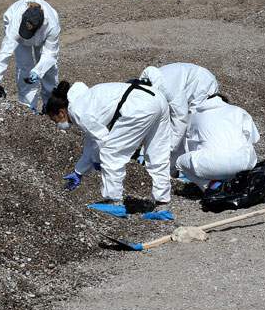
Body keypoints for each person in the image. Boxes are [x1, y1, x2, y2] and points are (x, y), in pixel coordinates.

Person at [46, 80, 172, 218]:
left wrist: (99, 160)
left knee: (111, 153)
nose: (57, 124)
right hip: (158, 98)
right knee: (157, 152)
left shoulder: (76, 111)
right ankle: (162, 204)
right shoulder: (86, 99)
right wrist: (79, 171)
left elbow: (102, 139)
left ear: (61, 112)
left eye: (55, 120)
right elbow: (91, 141)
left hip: (138, 106)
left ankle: (113, 201)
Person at [138, 63, 218, 174]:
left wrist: (166, 150)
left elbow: (180, 121)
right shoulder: (144, 88)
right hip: (184, 81)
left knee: (192, 126)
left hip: (202, 85)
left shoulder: (168, 91)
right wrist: (144, 150)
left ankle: (188, 167)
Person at [0, 0, 60, 112]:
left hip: (43, 37)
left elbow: (50, 54)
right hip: (19, 37)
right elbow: (6, 50)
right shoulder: (16, 21)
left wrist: (38, 71)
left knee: (49, 70)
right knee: (24, 66)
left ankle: (49, 105)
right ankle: (28, 107)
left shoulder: (52, 26)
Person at [175, 95, 259, 191]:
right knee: (247, 148)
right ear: (225, 102)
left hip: (212, 165)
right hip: (243, 165)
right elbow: (254, 138)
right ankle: (239, 181)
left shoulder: (196, 116)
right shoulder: (238, 111)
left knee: (179, 162)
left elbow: (190, 143)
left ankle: (210, 186)